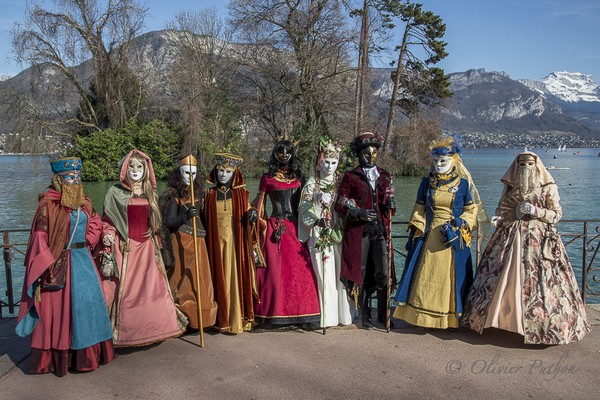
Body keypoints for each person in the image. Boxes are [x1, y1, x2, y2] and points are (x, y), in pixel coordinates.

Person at [463, 151, 590, 344]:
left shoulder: (548, 187)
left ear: (536, 165)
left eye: (529, 164)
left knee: (539, 282)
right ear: (516, 166)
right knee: (499, 277)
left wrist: (536, 211)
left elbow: (557, 214)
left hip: (539, 241)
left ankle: (536, 326)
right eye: (521, 164)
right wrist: (500, 218)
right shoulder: (510, 187)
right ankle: (499, 320)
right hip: (509, 237)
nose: (525, 168)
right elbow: (502, 209)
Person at [16, 157, 114, 376]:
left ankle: (87, 355)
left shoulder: (85, 202)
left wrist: (89, 239)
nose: (75, 181)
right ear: (58, 180)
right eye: (70, 177)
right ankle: (58, 357)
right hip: (58, 264)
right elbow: (40, 237)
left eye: (78, 177)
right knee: (60, 310)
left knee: (86, 306)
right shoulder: (47, 205)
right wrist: (45, 263)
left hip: (84, 261)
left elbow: (95, 222)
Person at [100, 149, 187, 346]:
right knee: (128, 291)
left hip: (148, 248)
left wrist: (157, 238)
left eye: (139, 166)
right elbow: (108, 220)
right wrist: (108, 235)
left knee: (153, 290)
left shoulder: (150, 192)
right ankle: (126, 331)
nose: (135, 170)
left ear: (146, 169)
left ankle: (155, 328)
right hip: (127, 247)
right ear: (124, 169)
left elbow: (155, 222)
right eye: (131, 166)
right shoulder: (115, 192)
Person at [393, 135, 479, 329]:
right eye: (436, 160)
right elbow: (418, 208)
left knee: (449, 278)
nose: (439, 164)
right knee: (426, 276)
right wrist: (418, 228)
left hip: (453, 237)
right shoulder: (426, 183)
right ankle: (421, 317)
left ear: (454, 160)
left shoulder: (463, 184)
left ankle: (450, 318)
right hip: (429, 236)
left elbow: (472, 209)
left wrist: (461, 222)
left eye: (444, 160)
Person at [252, 139, 321, 328]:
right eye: (280, 151)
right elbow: (259, 205)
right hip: (275, 227)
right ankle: (271, 314)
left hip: (295, 227)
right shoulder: (267, 178)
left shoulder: (299, 178)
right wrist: (255, 221)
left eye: (288, 151)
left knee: (301, 272)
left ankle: (304, 313)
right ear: (275, 154)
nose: (284, 155)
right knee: (273, 272)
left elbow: (307, 204)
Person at [335, 132, 395, 330]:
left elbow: (388, 203)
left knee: (383, 272)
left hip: (380, 231)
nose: (370, 156)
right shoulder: (351, 176)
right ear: (359, 154)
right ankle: (366, 314)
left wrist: (390, 205)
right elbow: (340, 203)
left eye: (374, 153)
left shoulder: (385, 176)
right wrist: (357, 212)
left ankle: (384, 312)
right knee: (361, 273)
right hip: (359, 232)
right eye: (367, 153)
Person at [299, 139, 354, 328]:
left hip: (338, 233)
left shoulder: (342, 183)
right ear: (320, 162)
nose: (330, 166)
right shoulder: (311, 184)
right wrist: (316, 219)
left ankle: (343, 314)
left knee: (340, 272)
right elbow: (304, 209)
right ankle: (327, 315)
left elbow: (349, 205)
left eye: (334, 162)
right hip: (318, 233)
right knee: (324, 272)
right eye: (326, 162)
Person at [159, 154, 218, 331]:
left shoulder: (201, 195)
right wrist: (185, 216)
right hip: (181, 242)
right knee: (182, 281)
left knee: (201, 280)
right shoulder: (174, 196)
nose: (189, 177)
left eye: (193, 173)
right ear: (179, 173)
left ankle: (201, 319)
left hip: (199, 242)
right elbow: (169, 222)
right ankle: (181, 317)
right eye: (186, 173)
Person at [203, 152, 259, 333]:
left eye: (227, 172)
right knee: (216, 276)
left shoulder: (241, 194)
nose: (223, 175)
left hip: (235, 245)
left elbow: (250, 209)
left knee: (234, 278)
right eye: (220, 171)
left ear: (235, 173)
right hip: (214, 243)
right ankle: (219, 319)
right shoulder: (208, 194)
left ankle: (236, 318)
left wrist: (252, 214)